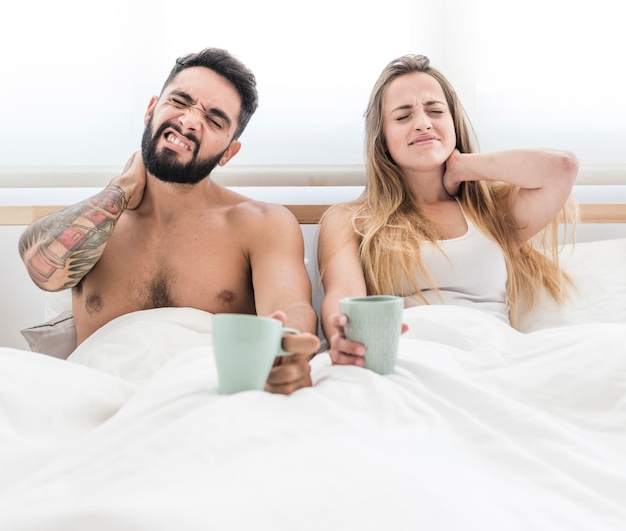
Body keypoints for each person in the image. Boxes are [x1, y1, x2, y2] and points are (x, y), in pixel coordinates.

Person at [19, 47, 320, 394]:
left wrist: (286, 348)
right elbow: (41, 267)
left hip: (205, 400)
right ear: (151, 110)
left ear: (228, 152)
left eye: (214, 119)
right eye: (179, 101)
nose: (190, 120)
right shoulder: (96, 223)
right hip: (94, 399)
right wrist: (121, 188)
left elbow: (290, 307)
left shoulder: (262, 223)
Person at [317, 54, 579, 367]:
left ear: (454, 121)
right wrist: (340, 333)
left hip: (494, 358)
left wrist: (462, 166)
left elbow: (561, 168)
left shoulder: (491, 212)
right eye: (402, 117)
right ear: (382, 139)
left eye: (435, 111)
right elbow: (344, 295)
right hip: (409, 357)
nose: (423, 123)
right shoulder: (351, 219)